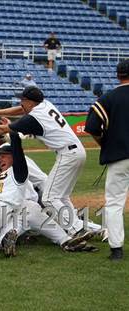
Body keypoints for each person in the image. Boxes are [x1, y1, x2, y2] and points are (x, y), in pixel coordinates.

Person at [0, 86, 92, 239]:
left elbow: (3, 129)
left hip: (67, 153)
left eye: (22, 100)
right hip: (78, 151)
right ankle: (82, 227)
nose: (21, 103)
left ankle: (77, 229)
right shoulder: (45, 104)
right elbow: (20, 109)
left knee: (49, 198)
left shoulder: (34, 118)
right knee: (60, 198)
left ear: (30, 102)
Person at [85, 59, 129, 261]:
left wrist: (104, 143)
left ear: (118, 75)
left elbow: (92, 127)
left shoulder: (107, 98)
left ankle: (117, 250)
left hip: (119, 157)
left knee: (114, 203)